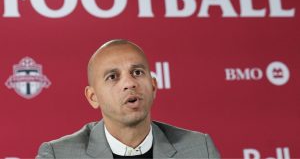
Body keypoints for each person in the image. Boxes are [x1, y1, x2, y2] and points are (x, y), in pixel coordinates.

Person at [36, 39, 220, 158]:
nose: (129, 83)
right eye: (113, 77)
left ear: (153, 86)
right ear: (93, 97)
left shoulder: (199, 149)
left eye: (137, 72)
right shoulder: (58, 155)